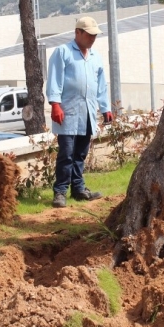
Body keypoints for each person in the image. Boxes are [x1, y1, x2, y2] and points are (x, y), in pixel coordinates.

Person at [46, 17, 113, 208]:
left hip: (87, 113)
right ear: (78, 33)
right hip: (67, 112)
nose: (92, 38)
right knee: (66, 153)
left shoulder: (95, 57)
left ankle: (78, 189)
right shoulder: (63, 52)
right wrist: (55, 104)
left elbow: (101, 86)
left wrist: (105, 107)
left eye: (94, 35)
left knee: (81, 153)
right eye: (89, 34)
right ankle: (60, 192)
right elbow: (54, 80)